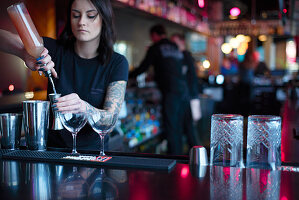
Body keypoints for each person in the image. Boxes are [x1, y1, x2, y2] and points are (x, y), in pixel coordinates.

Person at [0, 0, 129, 150]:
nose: (81, 22)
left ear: (104, 19)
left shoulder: (117, 62)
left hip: (93, 156)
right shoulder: (53, 50)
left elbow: (110, 122)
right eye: (75, 15)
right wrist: (23, 52)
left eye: (91, 15)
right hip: (52, 152)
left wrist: (85, 108)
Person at [130, 25, 199, 155]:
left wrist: (125, 77)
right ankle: (194, 158)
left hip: (171, 92)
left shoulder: (155, 47)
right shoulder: (174, 47)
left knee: (172, 127)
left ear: (154, 35)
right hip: (184, 92)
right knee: (184, 126)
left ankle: (175, 161)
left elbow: (143, 67)